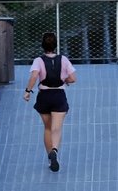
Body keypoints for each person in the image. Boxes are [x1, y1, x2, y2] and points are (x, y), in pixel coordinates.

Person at [22, 31, 77, 172]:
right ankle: (55, 151)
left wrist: (28, 91)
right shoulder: (63, 59)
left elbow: (34, 76)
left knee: (47, 127)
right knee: (56, 128)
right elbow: (73, 78)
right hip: (59, 95)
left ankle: (49, 157)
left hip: (44, 96)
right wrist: (64, 80)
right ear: (55, 45)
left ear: (43, 45)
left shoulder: (38, 61)